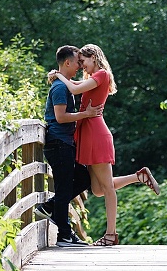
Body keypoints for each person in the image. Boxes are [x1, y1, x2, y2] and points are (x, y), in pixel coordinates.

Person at [49, 43, 160, 247]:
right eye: (79, 63)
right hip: (87, 133)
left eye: (83, 62)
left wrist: (58, 74)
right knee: (98, 189)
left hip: (95, 134)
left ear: (94, 57)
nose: (82, 66)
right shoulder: (93, 77)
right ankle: (138, 176)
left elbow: (73, 89)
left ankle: (111, 235)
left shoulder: (101, 74)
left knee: (107, 188)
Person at [36, 45, 103, 247]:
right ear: (67, 62)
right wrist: (86, 114)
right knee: (65, 188)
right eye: (77, 62)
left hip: (64, 143)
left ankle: (49, 207)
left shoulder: (64, 84)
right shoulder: (59, 87)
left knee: (83, 178)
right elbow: (60, 117)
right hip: (59, 143)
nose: (79, 66)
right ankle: (64, 236)